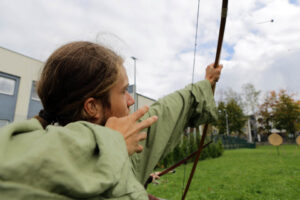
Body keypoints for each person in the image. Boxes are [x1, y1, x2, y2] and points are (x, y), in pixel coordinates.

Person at [0, 41, 222, 199]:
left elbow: (165, 111)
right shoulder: (25, 171)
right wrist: (112, 142)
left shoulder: (121, 140)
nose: (130, 101)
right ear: (92, 107)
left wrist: (205, 84)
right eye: (124, 90)